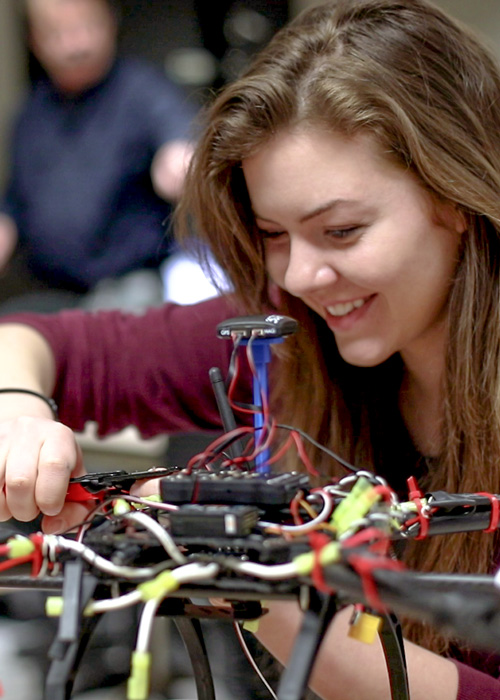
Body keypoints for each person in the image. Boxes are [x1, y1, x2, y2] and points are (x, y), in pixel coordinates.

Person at [0, 0, 498, 697]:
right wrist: (17, 411)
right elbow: (31, 340)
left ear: (457, 196)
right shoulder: (285, 333)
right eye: (273, 235)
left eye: (343, 230)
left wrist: (285, 616)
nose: (298, 276)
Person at [0, 0, 196, 312]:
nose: (74, 45)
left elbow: (180, 141)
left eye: (85, 27)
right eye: (56, 34)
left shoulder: (143, 91)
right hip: (47, 286)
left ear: (109, 22)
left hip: (127, 283)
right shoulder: (30, 113)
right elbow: (14, 205)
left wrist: (178, 162)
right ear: (34, 41)